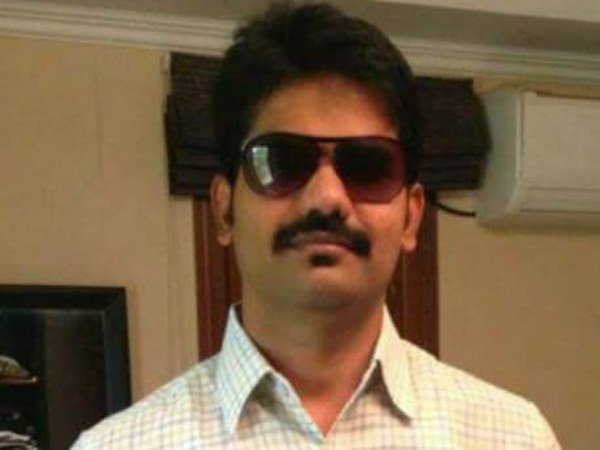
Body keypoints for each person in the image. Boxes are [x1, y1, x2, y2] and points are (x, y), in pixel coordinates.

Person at [72, 3, 561, 448]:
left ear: (412, 216)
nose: (327, 197)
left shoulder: (513, 437)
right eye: (283, 162)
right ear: (224, 209)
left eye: (367, 166)